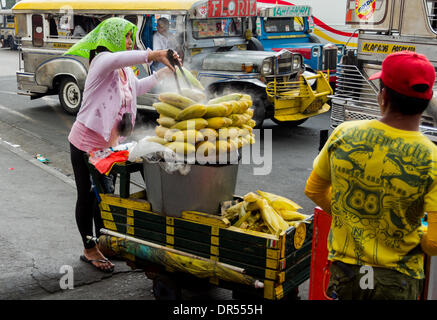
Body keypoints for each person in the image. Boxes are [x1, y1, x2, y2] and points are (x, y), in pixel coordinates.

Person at [305, 51, 437, 300]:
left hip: (347, 273)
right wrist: (419, 238)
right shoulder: (432, 157)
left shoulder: (345, 133)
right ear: (426, 101)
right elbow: (435, 243)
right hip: (397, 279)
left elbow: (313, 190)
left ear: (383, 95)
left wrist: (349, 215)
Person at [65, 17, 179, 273]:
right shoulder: (102, 61)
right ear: (112, 37)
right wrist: (157, 53)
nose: (130, 41)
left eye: (131, 37)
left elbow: (137, 88)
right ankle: (89, 248)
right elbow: (120, 59)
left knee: (104, 197)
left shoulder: (124, 70)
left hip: (110, 146)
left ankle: (104, 243)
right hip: (85, 143)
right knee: (87, 196)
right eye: (127, 37)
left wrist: (164, 71)